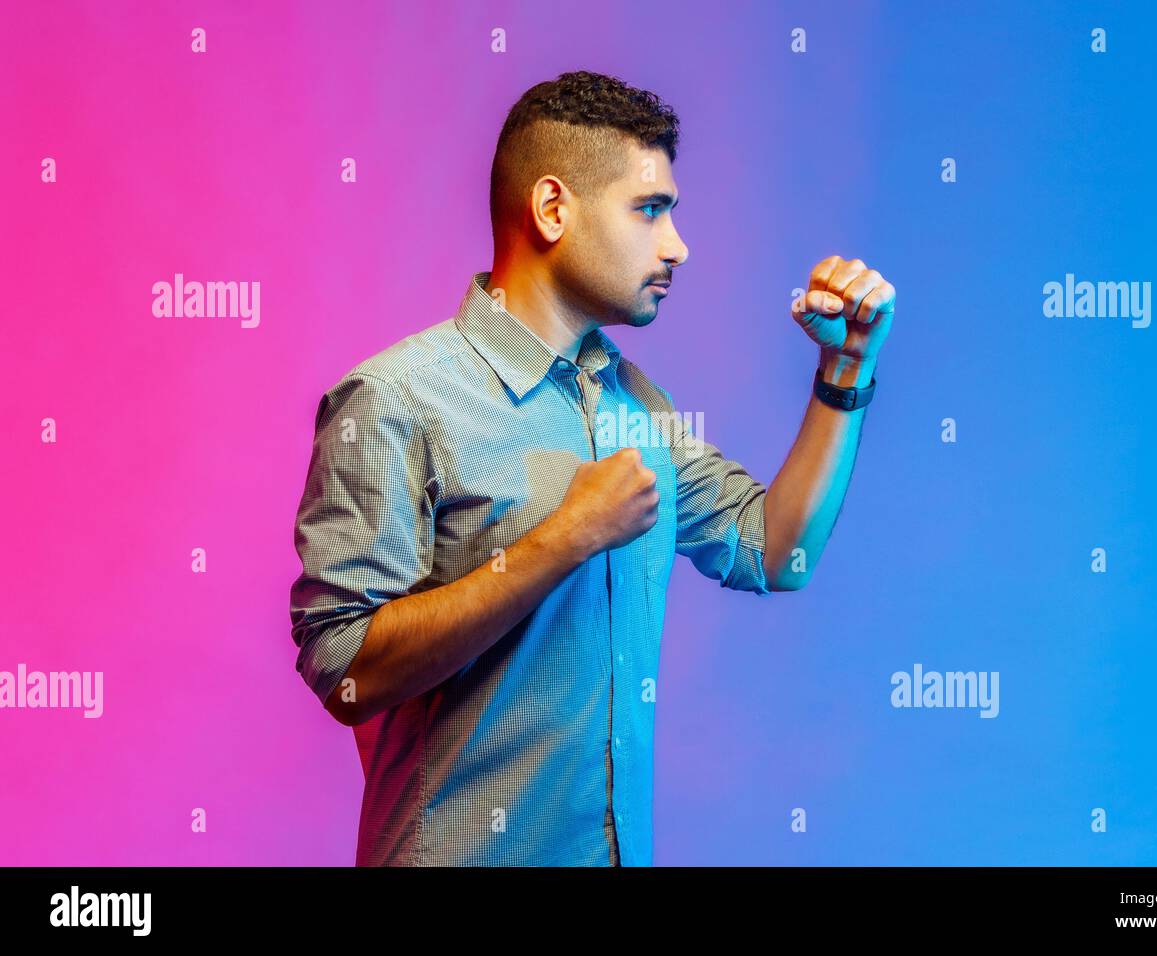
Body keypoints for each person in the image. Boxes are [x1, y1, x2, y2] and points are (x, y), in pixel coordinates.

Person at [289, 70, 896, 866]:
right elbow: (344, 675)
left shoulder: (636, 407)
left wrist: (845, 372)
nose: (678, 245)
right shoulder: (396, 398)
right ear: (552, 209)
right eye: (650, 210)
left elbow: (774, 551)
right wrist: (563, 538)